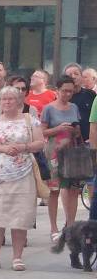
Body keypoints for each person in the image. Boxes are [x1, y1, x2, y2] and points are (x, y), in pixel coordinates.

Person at [0, 86, 44, 272]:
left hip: (22, 173)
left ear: (19, 101)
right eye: (4, 99)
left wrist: (24, 146)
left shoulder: (30, 121)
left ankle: (17, 257)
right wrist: (2, 149)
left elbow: (40, 143)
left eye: (11, 99)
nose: (7, 102)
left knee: (20, 215)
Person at [41, 76, 81, 239]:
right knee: (54, 190)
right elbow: (42, 131)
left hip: (71, 151)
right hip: (54, 151)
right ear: (57, 90)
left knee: (72, 189)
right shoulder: (48, 109)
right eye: (64, 90)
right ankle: (53, 227)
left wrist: (74, 131)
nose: (67, 94)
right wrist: (58, 128)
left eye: (70, 91)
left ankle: (70, 225)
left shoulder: (74, 107)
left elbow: (78, 130)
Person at [63, 63, 95, 141]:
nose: (73, 76)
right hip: (67, 142)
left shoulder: (90, 94)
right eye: (70, 75)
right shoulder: (62, 97)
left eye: (76, 74)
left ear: (81, 77)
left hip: (88, 141)